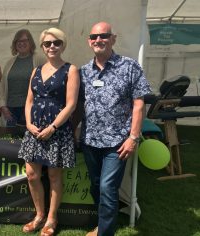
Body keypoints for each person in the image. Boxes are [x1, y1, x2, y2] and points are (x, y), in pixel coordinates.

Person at [79, 22, 151, 236]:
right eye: (94, 36)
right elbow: (77, 104)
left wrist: (133, 137)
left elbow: (139, 104)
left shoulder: (129, 67)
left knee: (107, 188)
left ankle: (105, 232)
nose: (98, 40)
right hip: (90, 139)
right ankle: (103, 223)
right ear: (89, 41)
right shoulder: (84, 71)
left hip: (118, 142)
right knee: (95, 186)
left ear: (113, 39)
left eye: (103, 35)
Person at [18, 27, 80, 236]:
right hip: (34, 129)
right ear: (43, 47)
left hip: (57, 130)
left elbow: (71, 105)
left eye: (56, 42)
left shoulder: (71, 70)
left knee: (54, 175)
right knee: (32, 175)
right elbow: (29, 101)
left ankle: (51, 219)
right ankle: (39, 215)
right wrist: (28, 123)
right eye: (47, 43)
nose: (52, 46)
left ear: (63, 45)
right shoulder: (36, 71)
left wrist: (53, 127)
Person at [0, 29, 46, 126]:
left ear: (30, 42)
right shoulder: (10, 62)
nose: (21, 43)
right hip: (10, 111)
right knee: (10, 140)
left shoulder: (40, 60)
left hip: (30, 109)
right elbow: (2, 86)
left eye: (25, 40)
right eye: (18, 41)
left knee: (28, 139)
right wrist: (3, 106)